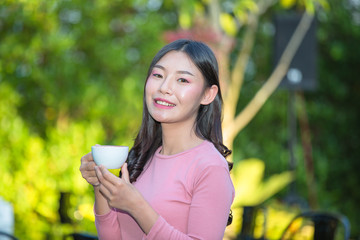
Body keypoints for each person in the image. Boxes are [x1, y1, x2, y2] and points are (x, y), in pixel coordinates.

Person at [80, 39, 235, 240]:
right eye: (158, 75)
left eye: (182, 80)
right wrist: (100, 183)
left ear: (208, 94)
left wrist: (137, 207)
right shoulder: (142, 158)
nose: (164, 87)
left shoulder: (210, 166)